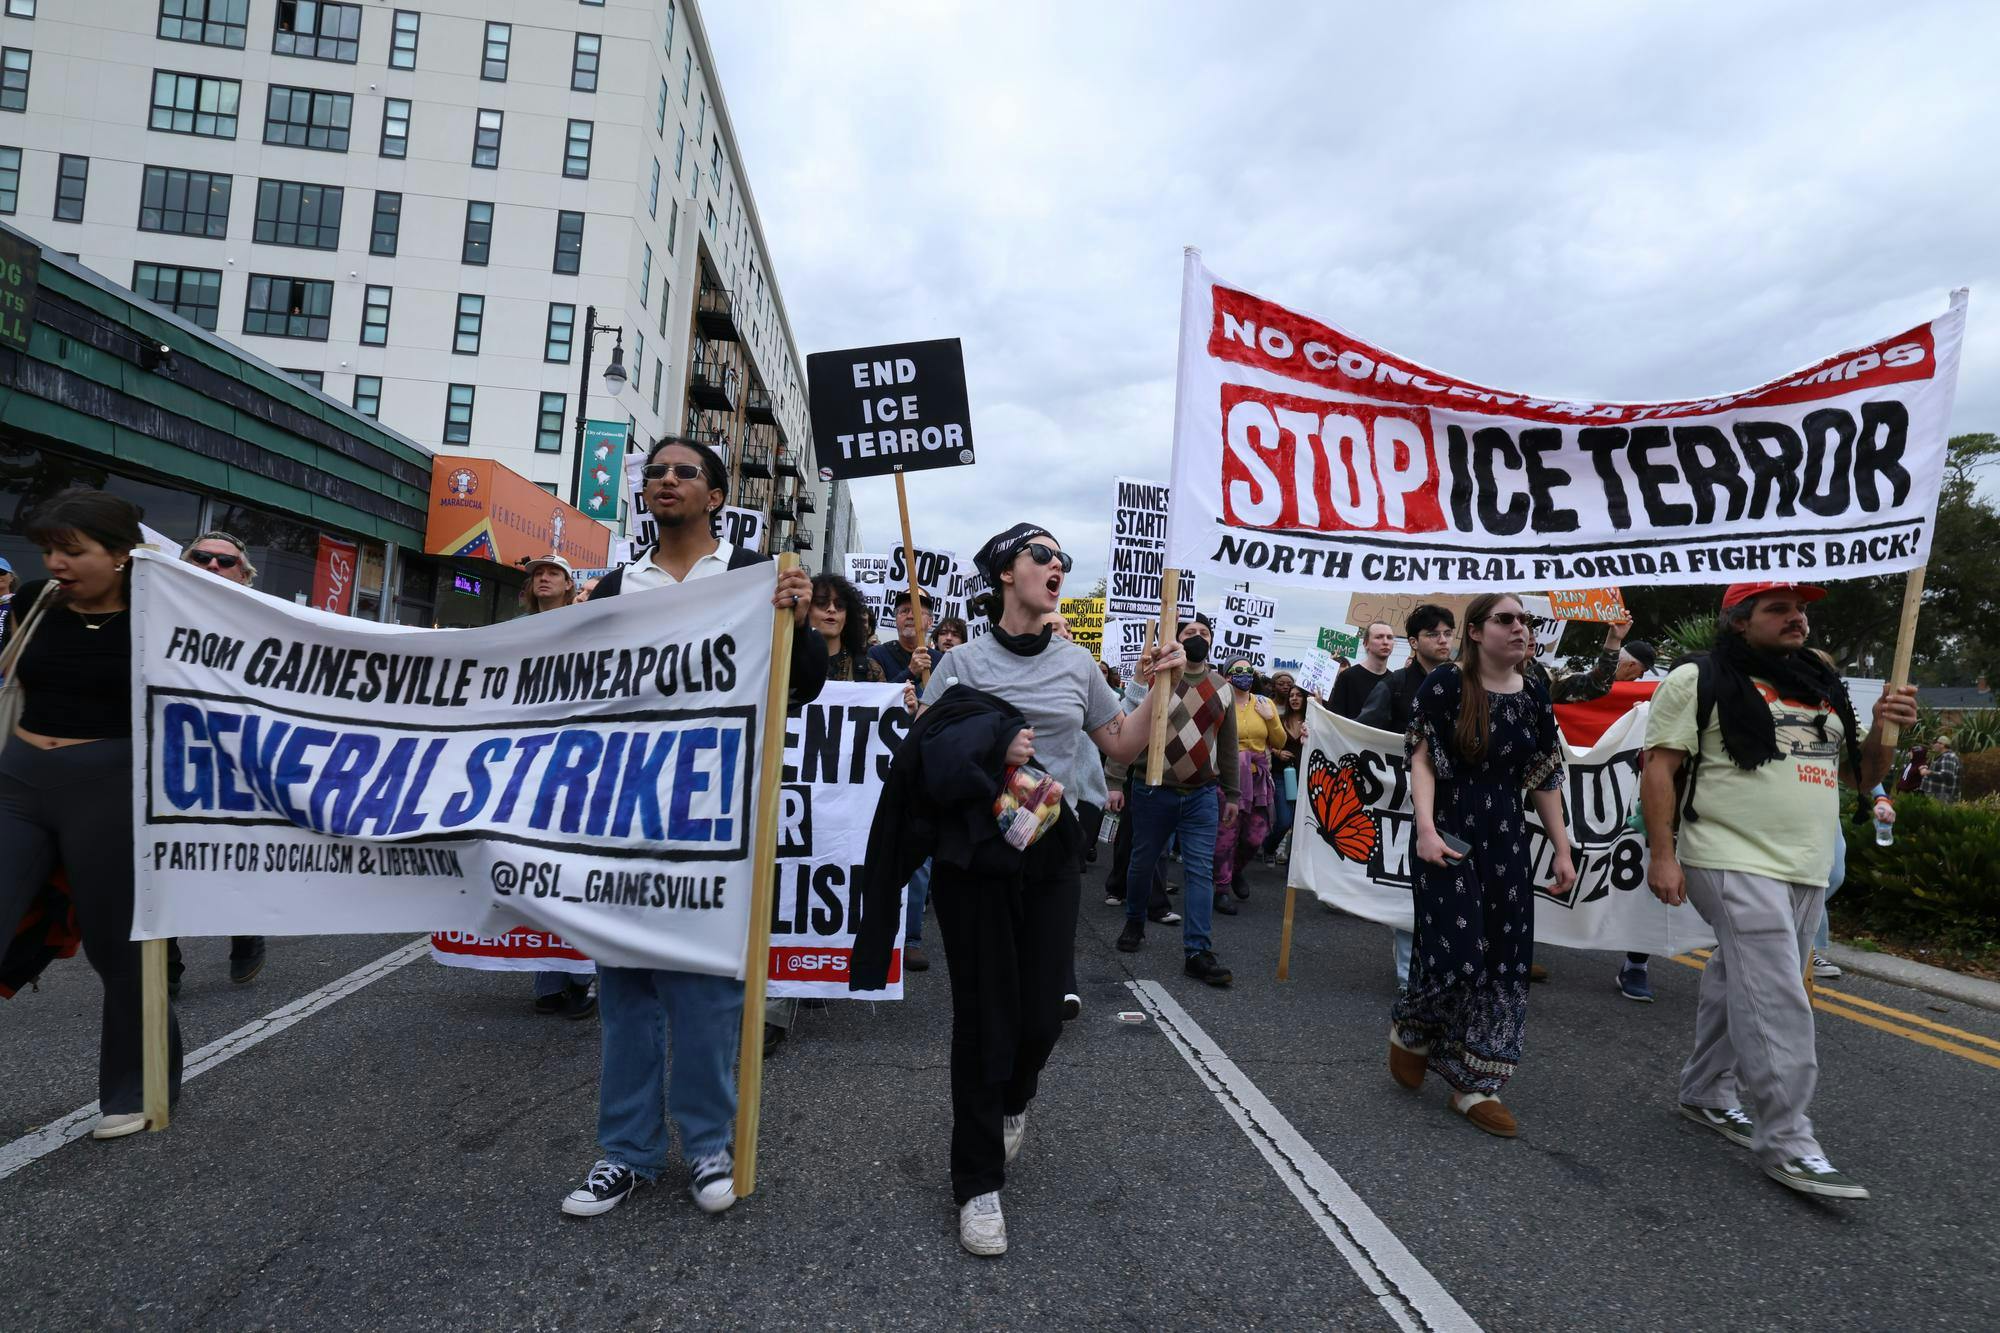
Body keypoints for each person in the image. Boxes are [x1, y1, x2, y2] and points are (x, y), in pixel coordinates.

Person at [851, 521, 1185, 1257]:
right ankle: (976, 1183)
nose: (1056, 564)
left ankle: (1016, 1096)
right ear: (1006, 571)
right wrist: (986, 738)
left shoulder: (1076, 664)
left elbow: (1123, 744)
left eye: (1063, 557)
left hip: (1051, 852)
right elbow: (927, 753)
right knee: (982, 1018)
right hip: (974, 856)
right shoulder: (961, 662)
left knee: (1039, 1017)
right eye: (1041, 554)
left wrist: (1160, 682)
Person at [558, 436, 826, 1220]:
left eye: (685, 472)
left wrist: (799, 623)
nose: (665, 481)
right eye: (656, 473)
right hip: (626, 808)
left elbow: (801, 684)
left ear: (716, 495)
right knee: (627, 989)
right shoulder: (615, 583)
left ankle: (710, 1141)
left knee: (709, 988)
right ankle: (626, 1152)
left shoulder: (753, 576)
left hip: (715, 815)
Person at [1642, 581, 1915, 1200]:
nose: (1797, 619)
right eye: (1779, 609)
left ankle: (1708, 1092)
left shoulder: (1819, 684)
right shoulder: (1696, 678)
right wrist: (1663, 855)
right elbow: (1659, 766)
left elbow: (1858, 776)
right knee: (1777, 991)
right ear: (1740, 621)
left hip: (1805, 864)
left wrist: (1880, 729)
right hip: (1726, 852)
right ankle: (1788, 1140)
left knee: (1742, 974)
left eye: (1802, 610)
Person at [0, 489, 185, 1139]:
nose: (55, 561)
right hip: (18, 781)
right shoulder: (31, 602)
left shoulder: (164, 615)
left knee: (120, 947)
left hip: (113, 788)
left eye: (73, 550)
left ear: (121, 554)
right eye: (50, 547)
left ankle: (138, 1086)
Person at [1390, 592, 1575, 1138]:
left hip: (1507, 840)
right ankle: (1414, 1029)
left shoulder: (1536, 696)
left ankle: (1476, 1084)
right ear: (1476, 631)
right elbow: (1421, 757)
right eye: (1506, 619)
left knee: (1503, 958)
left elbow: (1544, 776)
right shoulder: (1446, 684)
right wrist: (1423, 828)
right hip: (1448, 832)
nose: (1520, 628)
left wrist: (1562, 848)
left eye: (1525, 620)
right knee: (1457, 952)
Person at [1108, 614, 1237, 983]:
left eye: (1204, 633)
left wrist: (1231, 793)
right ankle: (1134, 920)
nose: (1197, 637)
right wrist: (1116, 781)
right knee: (1142, 862)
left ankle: (1198, 950)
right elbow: (1129, 729)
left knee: (1200, 871)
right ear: (1177, 640)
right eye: (1189, 633)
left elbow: (1226, 747)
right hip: (1153, 790)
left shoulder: (1222, 688)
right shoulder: (1159, 679)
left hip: (1201, 796)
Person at [167, 531, 269, 993]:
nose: (211, 566)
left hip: (237, 761)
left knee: (233, 856)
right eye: (201, 558)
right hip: (170, 755)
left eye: (224, 561)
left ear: (243, 574)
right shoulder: (155, 610)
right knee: (161, 858)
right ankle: (163, 965)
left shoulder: (267, 621)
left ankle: (246, 933)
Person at [511, 554, 596, 1021]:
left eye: (554, 573)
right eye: (538, 573)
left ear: (568, 585)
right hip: (529, 764)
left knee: (578, 873)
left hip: (580, 762)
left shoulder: (589, 626)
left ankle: (582, 977)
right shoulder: (510, 632)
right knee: (537, 871)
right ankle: (547, 976)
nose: (543, 578)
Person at [1380, 604, 1459, 990]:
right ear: (1413, 642)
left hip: (1455, 803)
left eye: (1448, 632)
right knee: (1407, 888)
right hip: (1401, 803)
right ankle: (1408, 979)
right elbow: (1361, 731)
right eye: (1433, 634)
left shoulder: (1468, 683)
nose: (1443, 640)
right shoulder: (1395, 685)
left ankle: (1443, 968)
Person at [1214, 656, 1283, 910]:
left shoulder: (1265, 703)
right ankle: (1220, 889)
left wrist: (1270, 718)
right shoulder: (1220, 702)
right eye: (1238, 670)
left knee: (1256, 835)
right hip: (1228, 777)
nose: (1245, 674)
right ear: (1227, 676)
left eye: (1249, 670)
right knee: (1226, 834)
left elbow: (1280, 741)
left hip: (1258, 779)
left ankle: (1235, 870)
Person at [810, 573, 888, 683]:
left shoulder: (869, 670)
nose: (832, 609)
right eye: (821, 603)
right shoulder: (788, 663)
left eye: (839, 605)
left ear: (848, 616)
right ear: (806, 611)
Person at [1264, 683, 1309, 863]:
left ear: (1305, 699)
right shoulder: (1280, 719)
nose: (1294, 698)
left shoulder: (1312, 722)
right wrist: (1277, 752)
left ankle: (1292, 865)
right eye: (1291, 695)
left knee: (1300, 825)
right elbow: (1266, 741)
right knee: (1284, 821)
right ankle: (1269, 846)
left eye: (1299, 695)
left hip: (1305, 778)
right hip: (1281, 775)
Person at [1328, 621, 1395, 720]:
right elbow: (1336, 719)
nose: (1385, 642)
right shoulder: (1348, 677)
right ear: (1366, 643)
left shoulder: (1395, 680)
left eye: (1389, 637)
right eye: (1379, 637)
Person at [869, 590, 935, 685]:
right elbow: (877, 696)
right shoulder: (877, 654)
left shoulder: (940, 660)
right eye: (904, 611)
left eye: (917, 611)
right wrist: (911, 671)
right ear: (895, 618)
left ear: (930, 622)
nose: (910, 616)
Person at [1921, 733, 1961, 804]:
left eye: (1936, 743)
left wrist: (1927, 772)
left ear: (1942, 745)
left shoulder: (1948, 756)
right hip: (1939, 794)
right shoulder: (1944, 756)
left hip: (1942, 796)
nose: (1934, 745)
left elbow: (1947, 775)